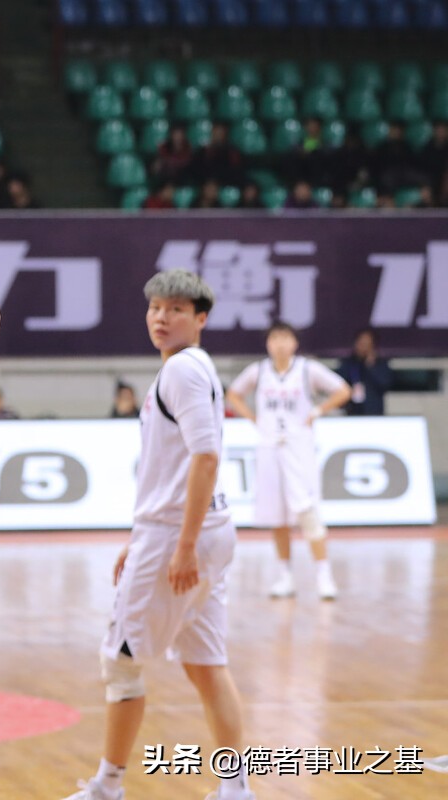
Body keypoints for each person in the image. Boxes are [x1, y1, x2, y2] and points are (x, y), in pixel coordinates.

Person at [67, 271, 253, 800]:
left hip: (182, 536)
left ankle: (107, 787)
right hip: (196, 529)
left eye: (175, 309)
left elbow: (207, 456)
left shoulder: (182, 374)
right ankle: (235, 789)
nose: (161, 318)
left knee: (121, 662)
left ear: (200, 319)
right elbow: (171, 468)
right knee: (206, 664)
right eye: (154, 308)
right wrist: (143, 534)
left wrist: (181, 545)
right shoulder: (188, 369)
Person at [226, 323, 351, 600]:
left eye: (285, 338)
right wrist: (253, 417)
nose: (280, 343)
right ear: (268, 343)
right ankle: (285, 576)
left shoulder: (308, 369)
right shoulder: (258, 371)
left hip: (299, 446)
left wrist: (317, 410)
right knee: (276, 515)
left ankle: (323, 574)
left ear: (294, 343)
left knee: (306, 510)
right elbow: (233, 394)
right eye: (275, 338)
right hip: (269, 446)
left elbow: (343, 390)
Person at [336, 327, 393, 416]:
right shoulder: (348, 363)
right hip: (352, 411)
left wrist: (371, 366)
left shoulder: (380, 363)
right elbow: (339, 384)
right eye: (361, 344)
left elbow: (385, 384)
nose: (363, 347)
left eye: (367, 344)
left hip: (374, 412)